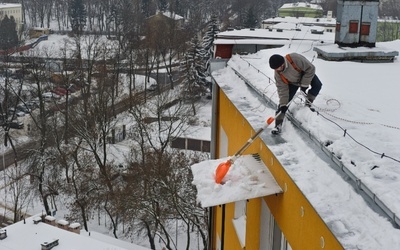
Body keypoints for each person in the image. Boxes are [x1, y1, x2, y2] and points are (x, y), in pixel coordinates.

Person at [269, 53, 322, 134]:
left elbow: (311, 69)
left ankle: (308, 103)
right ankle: (278, 125)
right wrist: (283, 104)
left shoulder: (295, 59)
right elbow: (282, 89)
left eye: (278, 68)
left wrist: (304, 85)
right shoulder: (278, 74)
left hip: (305, 75)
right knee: (284, 103)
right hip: (292, 82)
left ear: (282, 64)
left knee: (317, 85)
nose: (277, 70)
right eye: (275, 69)